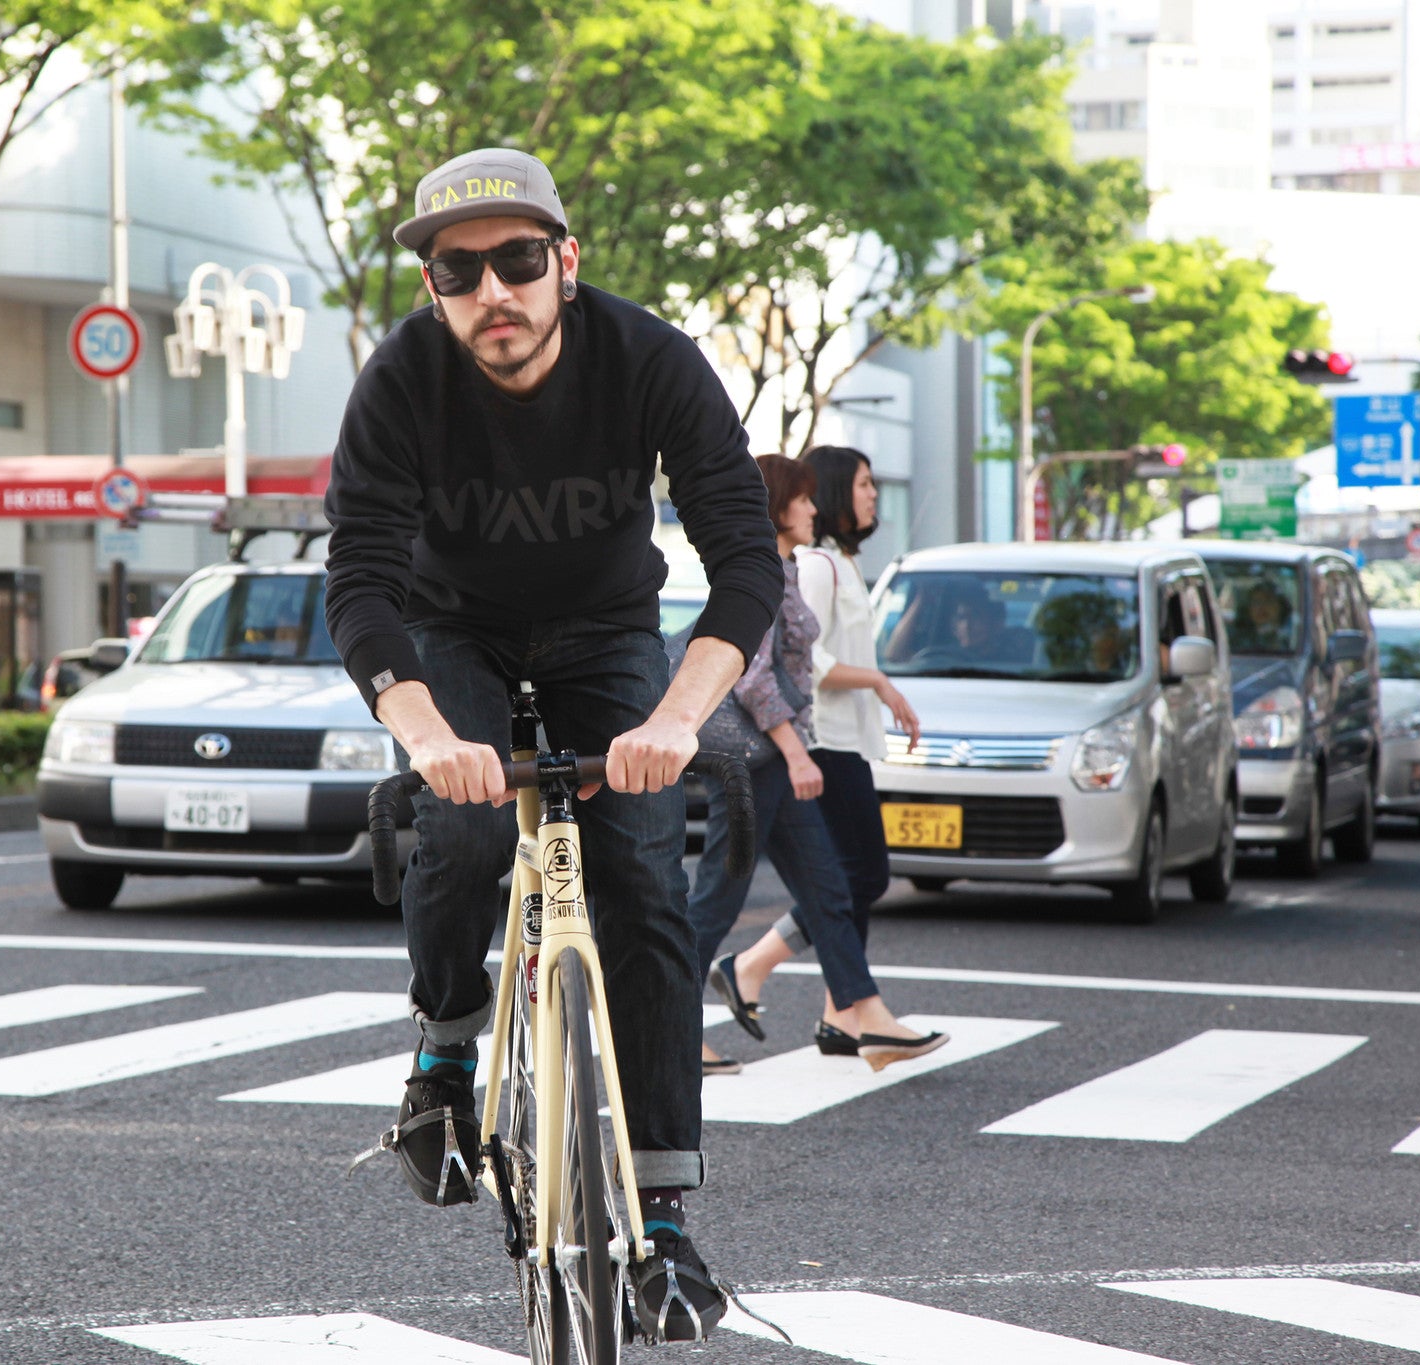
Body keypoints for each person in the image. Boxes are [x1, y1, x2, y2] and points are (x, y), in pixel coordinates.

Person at [322, 148, 783, 1342]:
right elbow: (361, 583)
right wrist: (422, 734)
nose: (492, 293)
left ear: (564, 263)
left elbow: (742, 560)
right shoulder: (400, 381)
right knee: (465, 833)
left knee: (637, 877)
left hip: (607, 633)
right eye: (456, 271)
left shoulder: (648, 359)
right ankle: (441, 1054)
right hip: (453, 628)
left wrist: (680, 717)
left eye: (517, 261)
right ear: (432, 288)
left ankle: (667, 1224)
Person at [688, 454, 951, 1076]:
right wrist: (798, 752)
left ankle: (870, 1020)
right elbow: (752, 678)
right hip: (756, 764)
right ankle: (667, 1025)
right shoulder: (756, 575)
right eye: (801, 499)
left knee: (832, 890)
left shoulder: (780, 568)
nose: (812, 509)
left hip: (777, 761)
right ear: (777, 506)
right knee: (719, 899)